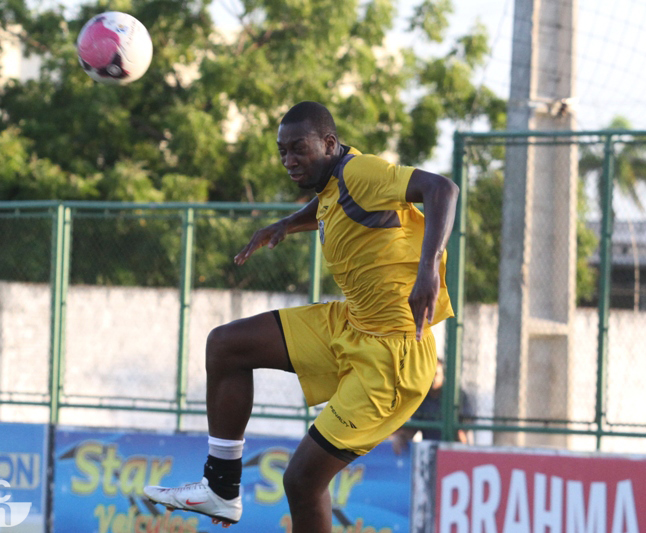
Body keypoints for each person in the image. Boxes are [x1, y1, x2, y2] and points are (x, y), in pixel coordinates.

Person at [143, 101, 459, 531]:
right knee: (226, 345)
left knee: (301, 482)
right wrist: (287, 224)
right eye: (282, 152)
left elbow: (442, 188)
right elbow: (332, 204)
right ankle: (220, 487)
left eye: (299, 149)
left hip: (393, 358)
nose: (289, 161)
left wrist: (428, 270)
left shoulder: (360, 172)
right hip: (350, 325)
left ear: (329, 143)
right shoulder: (335, 181)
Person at [390, 359, 473, 455]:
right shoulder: (420, 397)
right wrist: (400, 437)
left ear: (443, 375)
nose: (432, 378)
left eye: (436, 374)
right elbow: (414, 427)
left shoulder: (457, 395)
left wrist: (462, 444)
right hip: (430, 451)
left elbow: (465, 428)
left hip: (455, 451)